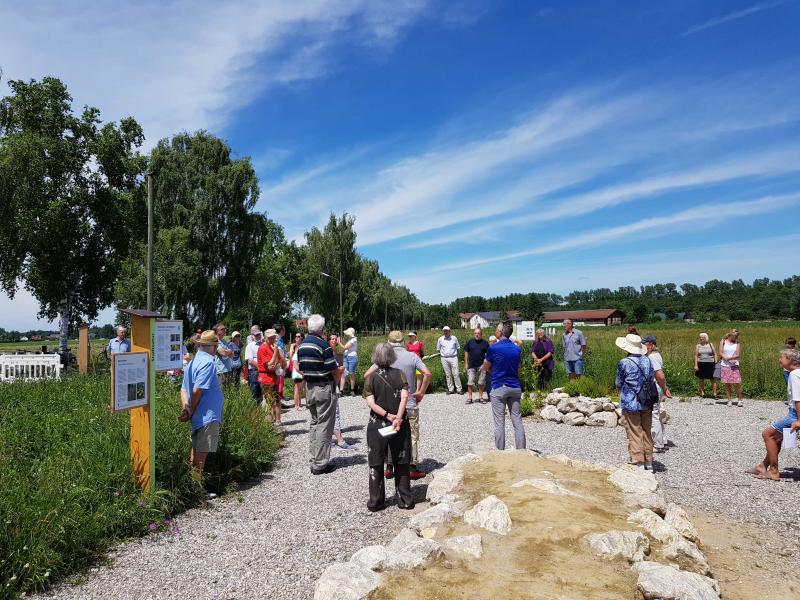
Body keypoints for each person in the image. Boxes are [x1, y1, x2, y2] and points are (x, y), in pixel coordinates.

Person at [365, 331, 431, 481]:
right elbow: (427, 373)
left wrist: (375, 394)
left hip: (390, 405)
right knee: (412, 435)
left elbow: (367, 375)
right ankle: (411, 467)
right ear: (402, 341)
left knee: (390, 432)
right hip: (409, 402)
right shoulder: (412, 356)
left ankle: (389, 466)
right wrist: (420, 392)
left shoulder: (385, 356)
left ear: (389, 341)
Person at [364, 342, 415, 512]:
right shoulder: (400, 374)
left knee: (376, 460)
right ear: (392, 357)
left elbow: (370, 403)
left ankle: (376, 501)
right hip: (399, 424)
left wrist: (387, 416)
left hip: (377, 423)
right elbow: (404, 397)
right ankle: (405, 499)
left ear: (376, 357)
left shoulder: (371, 377)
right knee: (401, 458)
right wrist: (398, 418)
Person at [298, 314, 343, 475]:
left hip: (310, 387)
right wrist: (337, 384)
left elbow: (300, 368)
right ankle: (321, 463)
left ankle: (314, 458)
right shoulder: (323, 345)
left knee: (315, 423)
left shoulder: (302, 346)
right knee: (325, 425)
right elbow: (334, 369)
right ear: (321, 329)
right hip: (324, 386)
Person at [749, 349, 800, 481]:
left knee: (768, 434)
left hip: (795, 414)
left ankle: (773, 471)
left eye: (781, 357)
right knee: (776, 437)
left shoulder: (794, 374)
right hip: (794, 413)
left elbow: (798, 399)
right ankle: (762, 466)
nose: (779, 360)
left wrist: (799, 420)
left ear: (789, 360)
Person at [178, 330, 224, 473]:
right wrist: (190, 410)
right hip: (207, 416)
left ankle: (193, 486)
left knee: (195, 453)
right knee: (201, 457)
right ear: (214, 348)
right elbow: (197, 390)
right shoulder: (208, 363)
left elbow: (184, 389)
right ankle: (197, 489)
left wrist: (187, 408)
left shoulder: (192, 362)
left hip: (199, 415)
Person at [615, 334, 657, 470]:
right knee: (646, 430)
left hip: (630, 401)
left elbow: (618, 382)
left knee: (634, 431)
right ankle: (649, 461)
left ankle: (638, 461)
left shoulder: (624, 362)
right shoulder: (647, 360)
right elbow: (651, 378)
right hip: (646, 400)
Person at [483, 321, 525, 450]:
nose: (495, 331)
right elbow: (518, 370)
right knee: (517, 421)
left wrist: (494, 371)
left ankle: (500, 452)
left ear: (500, 332)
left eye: (496, 329)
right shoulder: (517, 349)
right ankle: (522, 450)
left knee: (499, 422)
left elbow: (486, 367)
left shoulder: (493, 348)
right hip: (515, 387)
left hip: (499, 387)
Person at [642, 335, 672, 454]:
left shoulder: (653, 357)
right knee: (656, 413)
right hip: (656, 387)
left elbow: (660, 375)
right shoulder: (654, 356)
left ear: (650, 345)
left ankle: (657, 443)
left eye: (643, 344)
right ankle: (662, 440)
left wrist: (665, 388)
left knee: (653, 414)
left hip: (653, 387)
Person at [257, 329, 287, 425]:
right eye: (270, 338)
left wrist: (279, 355)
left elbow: (283, 364)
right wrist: (275, 353)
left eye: (274, 337)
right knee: (270, 403)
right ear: (265, 338)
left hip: (275, 378)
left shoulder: (275, 347)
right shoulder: (263, 348)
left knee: (277, 401)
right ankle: (270, 425)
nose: (273, 339)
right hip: (266, 378)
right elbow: (269, 364)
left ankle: (278, 422)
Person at [464, 328, 490, 404]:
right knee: (470, 382)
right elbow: (466, 352)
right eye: (475, 333)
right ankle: (470, 398)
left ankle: (481, 397)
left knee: (481, 382)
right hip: (471, 365)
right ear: (473, 334)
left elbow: (488, 354)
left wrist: (486, 365)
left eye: (478, 333)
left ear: (481, 334)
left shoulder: (485, 343)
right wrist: (466, 363)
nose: (477, 334)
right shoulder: (470, 342)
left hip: (481, 366)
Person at [719, 331, 743, 407]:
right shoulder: (723, 341)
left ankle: (739, 399)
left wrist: (730, 358)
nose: (735, 338)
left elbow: (738, 354)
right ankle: (729, 400)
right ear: (730, 335)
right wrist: (726, 358)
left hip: (734, 365)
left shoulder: (737, 343)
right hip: (725, 365)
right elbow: (721, 352)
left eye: (736, 337)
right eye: (734, 336)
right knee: (727, 383)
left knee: (736, 383)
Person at [437, 326, 462, 395]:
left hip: (453, 357)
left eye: (447, 331)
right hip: (444, 358)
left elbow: (458, 348)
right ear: (443, 331)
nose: (445, 332)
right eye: (444, 331)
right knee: (448, 375)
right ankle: (451, 389)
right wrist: (443, 355)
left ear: (449, 331)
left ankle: (459, 389)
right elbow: (438, 349)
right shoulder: (440, 339)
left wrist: (454, 355)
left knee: (456, 374)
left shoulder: (454, 338)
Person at [693, 333, 718, 399]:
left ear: (706, 338)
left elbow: (715, 353)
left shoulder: (711, 344)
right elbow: (696, 355)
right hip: (701, 363)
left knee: (712, 379)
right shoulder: (698, 345)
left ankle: (714, 394)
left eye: (702, 337)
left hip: (710, 363)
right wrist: (696, 365)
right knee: (701, 379)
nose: (701, 338)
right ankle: (702, 393)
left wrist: (716, 362)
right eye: (700, 337)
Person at [244, 326, 263, 403]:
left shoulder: (263, 344)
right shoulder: (250, 346)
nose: (258, 336)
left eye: (258, 334)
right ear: (252, 336)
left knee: (261, 389)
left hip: (262, 370)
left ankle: (260, 409)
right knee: (254, 389)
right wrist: (261, 367)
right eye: (256, 335)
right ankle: (255, 409)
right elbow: (250, 360)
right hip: (254, 370)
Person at [339, 327, 359, 395]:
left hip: (352, 358)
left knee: (351, 373)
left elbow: (345, 347)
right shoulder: (351, 339)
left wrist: (339, 342)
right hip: (346, 357)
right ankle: (341, 391)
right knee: (344, 373)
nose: (347, 335)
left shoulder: (353, 340)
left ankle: (352, 390)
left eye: (347, 334)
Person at [289, 332, 306, 410]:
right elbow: (291, 356)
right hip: (296, 368)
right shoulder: (293, 346)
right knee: (297, 387)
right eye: (296, 336)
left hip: (302, 368)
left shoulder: (303, 345)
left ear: (302, 337)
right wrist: (292, 349)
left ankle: (299, 403)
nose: (297, 337)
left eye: (298, 336)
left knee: (301, 387)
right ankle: (296, 405)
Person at [274, 324, 288, 404]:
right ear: (281, 331)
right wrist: (283, 363)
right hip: (280, 364)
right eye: (284, 330)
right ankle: (278, 400)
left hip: (282, 362)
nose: (285, 331)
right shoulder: (277, 340)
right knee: (279, 381)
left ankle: (280, 397)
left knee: (281, 381)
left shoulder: (280, 339)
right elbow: (279, 353)